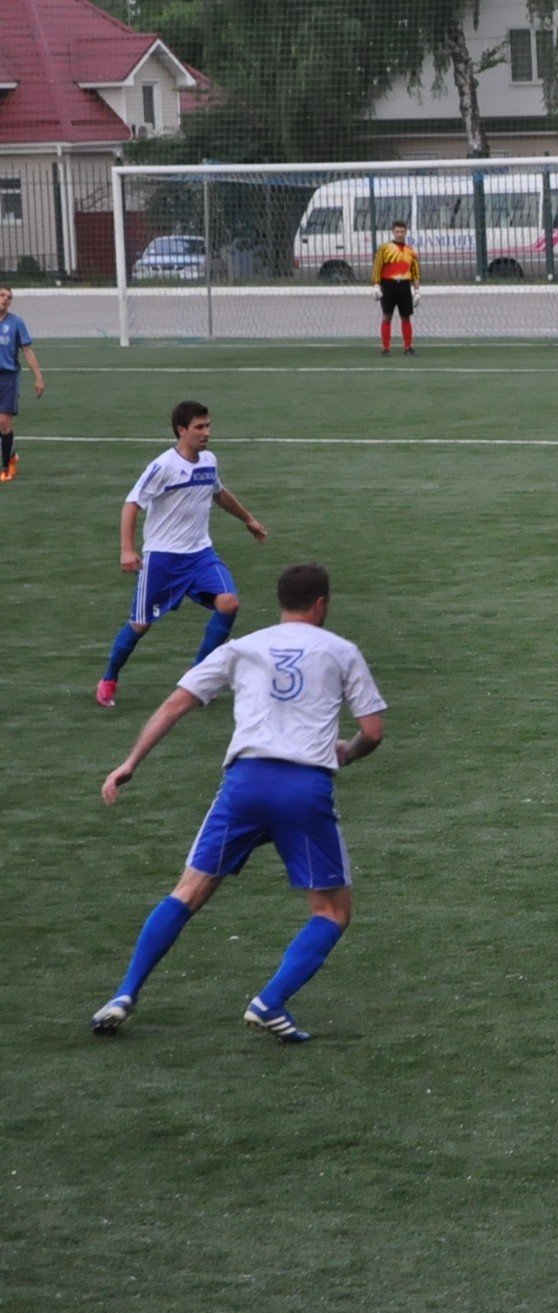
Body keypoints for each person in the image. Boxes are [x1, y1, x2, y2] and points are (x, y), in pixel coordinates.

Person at [90, 562, 387, 1044]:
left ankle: (124, 993)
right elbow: (372, 732)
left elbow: (176, 703)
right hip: (303, 790)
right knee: (331, 911)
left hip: (245, 785)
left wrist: (130, 762)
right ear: (321, 604)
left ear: (281, 603)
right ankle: (270, 1001)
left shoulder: (242, 647)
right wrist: (347, 753)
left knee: (188, 892)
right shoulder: (341, 651)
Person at [96, 400, 268, 709]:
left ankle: (197, 673)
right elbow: (132, 504)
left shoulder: (209, 461)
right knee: (140, 624)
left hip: (200, 554)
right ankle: (109, 679)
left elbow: (218, 493)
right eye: (199, 427)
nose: (207, 433)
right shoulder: (163, 466)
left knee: (229, 603)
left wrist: (248, 519)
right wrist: (127, 550)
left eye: (208, 426)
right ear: (181, 430)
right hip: (163, 559)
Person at [0, 284, 46, 481]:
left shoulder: (16, 323)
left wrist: (38, 376)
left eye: (9, 297)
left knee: (3, 421)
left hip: (8, 378)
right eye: (2, 295)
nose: (5, 299)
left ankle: (6, 466)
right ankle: (11, 454)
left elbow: (27, 350)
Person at [373, 218, 421, 356]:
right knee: (386, 316)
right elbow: (377, 267)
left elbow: (415, 273)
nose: (399, 234)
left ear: (405, 232)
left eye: (402, 231)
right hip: (388, 285)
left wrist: (417, 291)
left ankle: (408, 347)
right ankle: (385, 348)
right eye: (397, 232)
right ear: (393, 232)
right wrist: (376, 285)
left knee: (406, 317)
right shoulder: (384, 249)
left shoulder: (410, 251)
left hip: (404, 286)